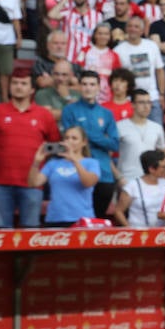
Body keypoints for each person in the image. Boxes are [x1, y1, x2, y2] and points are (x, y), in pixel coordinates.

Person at [0, 66, 59, 227]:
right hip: (0, 182)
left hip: (32, 184)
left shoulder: (44, 115)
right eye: (15, 83)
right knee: (0, 233)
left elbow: (54, 146)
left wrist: (41, 169)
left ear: (32, 89)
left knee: (30, 232)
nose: (18, 87)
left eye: (23, 84)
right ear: (9, 86)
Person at [60, 69, 120, 218]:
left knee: (97, 220)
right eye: (85, 84)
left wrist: (86, 134)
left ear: (99, 88)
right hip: (77, 172)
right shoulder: (69, 110)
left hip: (104, 173)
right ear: (79, 87)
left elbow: (114, 144)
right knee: (77, 221)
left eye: (92, 84)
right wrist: (101, 138)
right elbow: (69, 141)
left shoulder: (107, 113)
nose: (88, 88)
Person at [28, 126, 101, 226]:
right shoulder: (53, 164)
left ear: (84, 142)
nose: (69, 141)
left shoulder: (91, 163)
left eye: (74, 138)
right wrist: (36, 162)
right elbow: (33, 183)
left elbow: (88, 182)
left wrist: (74, 160)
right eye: (66, 138)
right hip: (55, 218)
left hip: (81, 219)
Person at [116, 87, 165, 185]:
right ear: (132, 105)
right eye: (141, 102)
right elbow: (107, 155)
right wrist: (119, 177)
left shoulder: (157, 127)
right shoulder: (120, 126)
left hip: (149, 180)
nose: (146, 106)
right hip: (127, 180)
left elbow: (163, 155)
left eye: (148, 102)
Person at [114, 149, 165, 228]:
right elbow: (118, 211)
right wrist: (130, 229)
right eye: (164, 167)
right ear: (151, 169)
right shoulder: (132, 186)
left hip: (162, 233)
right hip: (139, 232)